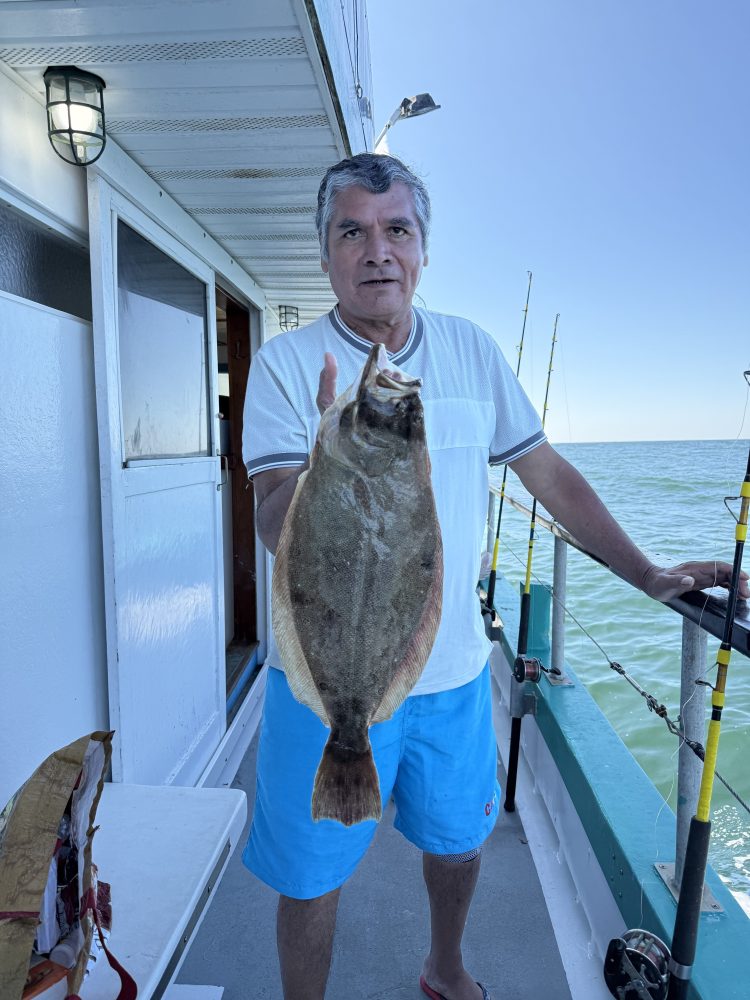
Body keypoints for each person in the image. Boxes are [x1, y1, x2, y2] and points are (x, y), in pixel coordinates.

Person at [241, 153, 747, 1000]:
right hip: (322, 681)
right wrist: (328, 455)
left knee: (461, 844)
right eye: (352, 232)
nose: (377, 252)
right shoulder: (288, 366)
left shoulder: (471, 351)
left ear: (423, 248)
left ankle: (445, 965)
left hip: (450, 678)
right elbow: (267, 524)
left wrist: (647, 572)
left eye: (396, 230)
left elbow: (549, 476)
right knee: (309, 875)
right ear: (326, 252)